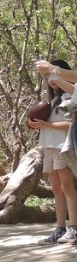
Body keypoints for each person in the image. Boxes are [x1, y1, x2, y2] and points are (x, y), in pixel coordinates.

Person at [29, 59, 77, 243]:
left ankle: (74, 227)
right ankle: (60, 228)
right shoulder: (51, 101)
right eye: (48, 76)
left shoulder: (70, 96)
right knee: (56, 189)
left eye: (54, 74)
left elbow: (69, 124)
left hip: (62, 146)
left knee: (67, 187)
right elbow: (46, 123)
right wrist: (34, 124)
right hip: (48, 147)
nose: (51, 79)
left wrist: (46, 124)